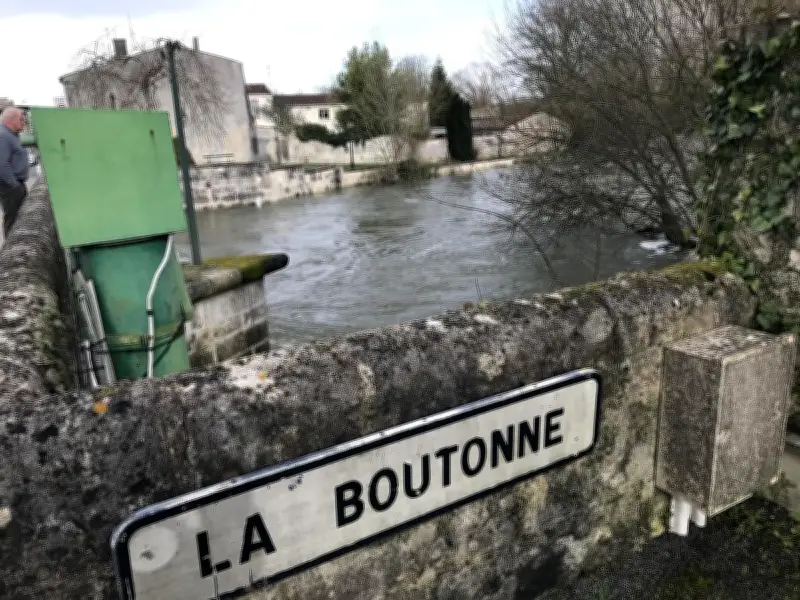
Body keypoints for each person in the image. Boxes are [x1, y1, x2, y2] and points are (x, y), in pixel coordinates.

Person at [0, 106, 30, 237]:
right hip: (10, 186)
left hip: (17, 184)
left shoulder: (13, 135)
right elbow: (2, 164)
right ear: (11, 120)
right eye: (21, 120)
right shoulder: (3, 136)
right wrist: (14, 185)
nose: (24, 122)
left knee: (21, 217)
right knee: (12, 219)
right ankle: (10, 251)